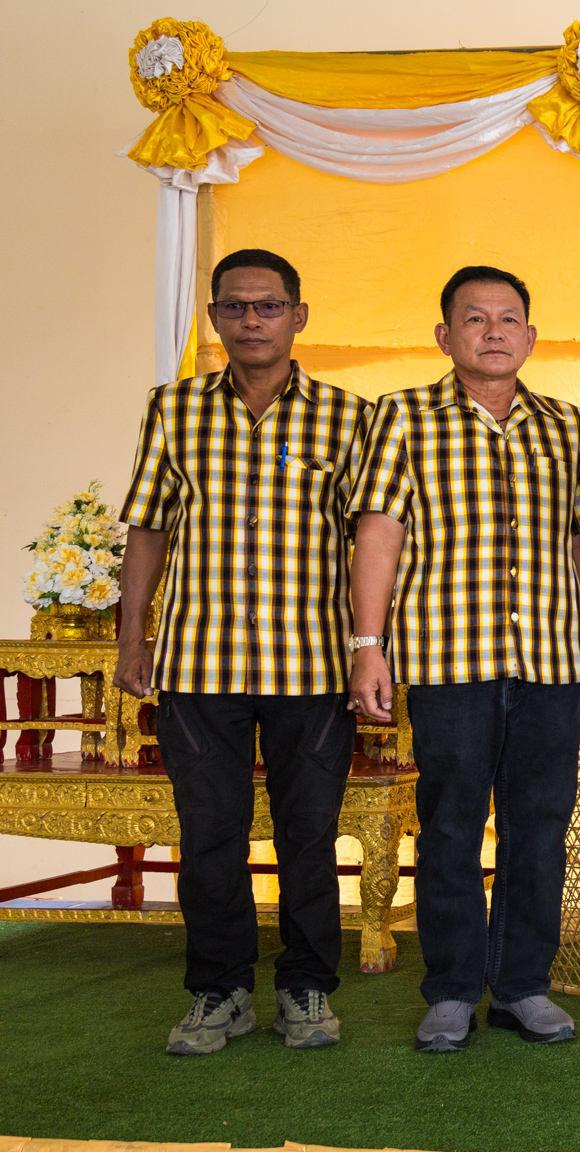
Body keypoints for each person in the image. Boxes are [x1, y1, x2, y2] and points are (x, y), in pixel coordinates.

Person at [347, 266, 580, 1053]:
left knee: (540, 828)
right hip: (447, 661)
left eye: (507, 319)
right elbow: (379, 533)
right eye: (474, 318)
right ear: (445, 335)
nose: (493, 332)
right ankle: (454, 990)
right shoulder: (403, 416)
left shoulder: (564, 425)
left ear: (531, 337)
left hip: (548, 662)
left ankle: (524, 986)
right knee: (450, 827)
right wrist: (368, 646)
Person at [115, 249, 369, 1055]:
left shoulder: (350, 417)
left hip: (314, 664)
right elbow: (148, 525)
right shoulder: (173, 409)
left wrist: (373, 647)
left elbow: (374, 541)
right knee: (209, 834)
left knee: (308, 835)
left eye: (268, 306)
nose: (252, 320)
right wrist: (132, 635)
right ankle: (218, 992)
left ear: (299, 315)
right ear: (215, 317)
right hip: (198, 662)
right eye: (235, 306)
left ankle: (305, 989)